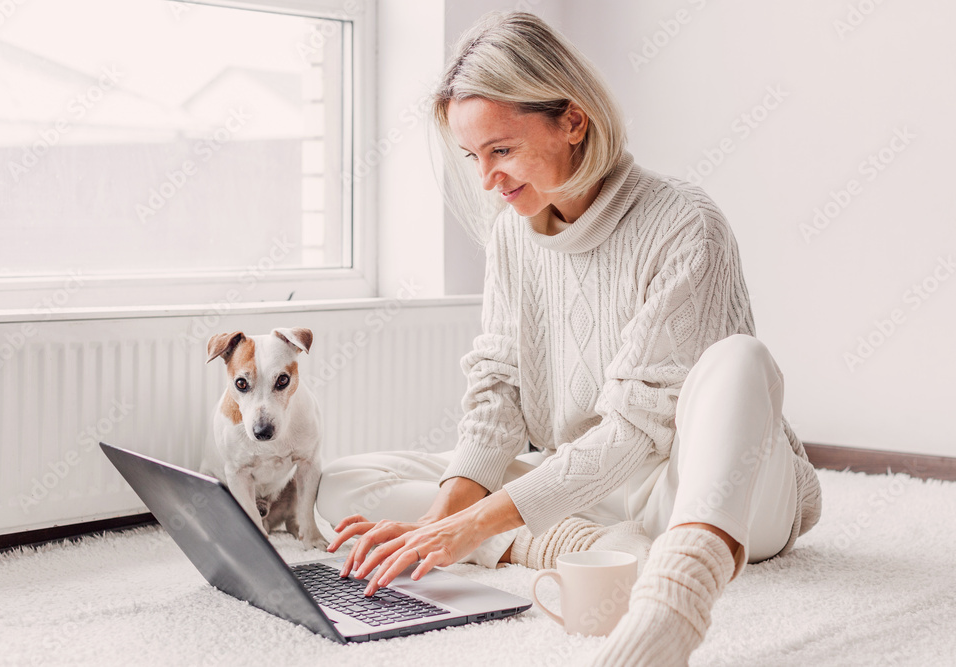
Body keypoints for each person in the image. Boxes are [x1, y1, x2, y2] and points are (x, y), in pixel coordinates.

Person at [316, 11, 821, 665]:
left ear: (573, 121)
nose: (487, 178)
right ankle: (585, 544)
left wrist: (470, 527)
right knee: (343, 484)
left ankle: (672, 602)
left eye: (501, 149)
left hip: (710, 491)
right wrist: (437, 524)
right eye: (473, 157)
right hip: (591, 488)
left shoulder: (685, 223)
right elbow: (496, 394)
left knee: (741, 359)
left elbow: (638, 433)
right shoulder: (511, 234)